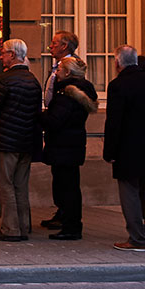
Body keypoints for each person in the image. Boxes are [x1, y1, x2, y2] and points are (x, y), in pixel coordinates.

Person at [104, 45, 145, 252]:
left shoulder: (118, 85)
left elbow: (114, 122)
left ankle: (137, 238)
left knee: (129, 193)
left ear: (117, 62)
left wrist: (110, 151)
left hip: (126, 147)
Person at [0, 38, 42, 243]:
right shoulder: (33, 80)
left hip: (5, 140)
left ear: (12, 55)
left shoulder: (4, 80)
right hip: (25, 140)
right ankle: (23, 225)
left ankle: (10, 228)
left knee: (5, 185)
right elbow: (36, 114)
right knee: (20, 185)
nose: (1, 57)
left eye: (3, 53)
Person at [41, 55, 96, 241]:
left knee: (67, 187)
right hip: (73, 144)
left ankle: (71, 226)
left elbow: (55, 120)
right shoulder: (81, 92)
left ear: (67, 72)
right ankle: (69, 222)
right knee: (69, 185)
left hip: (63, 145)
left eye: (59, 70)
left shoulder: (67, 94)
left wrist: (40, 117)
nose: (56, 73)